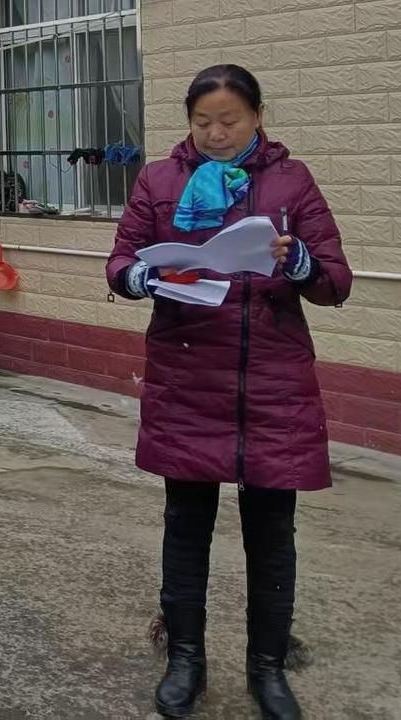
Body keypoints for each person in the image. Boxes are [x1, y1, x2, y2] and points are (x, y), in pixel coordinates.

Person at [107, 65, 351, 720]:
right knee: (186, 529)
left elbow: (335, 280)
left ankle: (266, 668)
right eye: (202, 122)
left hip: (272, 383)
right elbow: (121, 259)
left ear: (258, 116)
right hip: (187, 378)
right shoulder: (160, 180)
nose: (216, 135)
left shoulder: (291, 181)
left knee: (272, 535)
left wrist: (300, 262)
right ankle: (186, 660)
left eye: (230, 121)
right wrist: (140, 278)